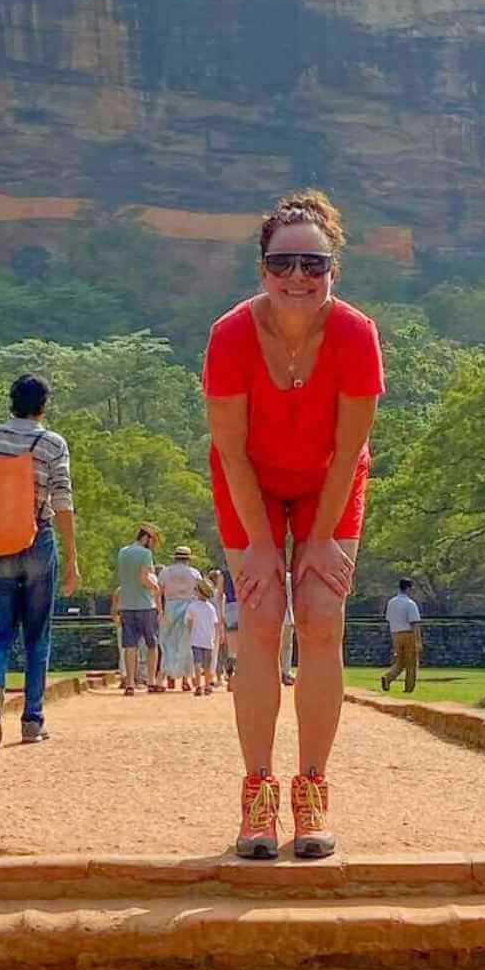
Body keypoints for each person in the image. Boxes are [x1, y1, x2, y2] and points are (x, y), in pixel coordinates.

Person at [204, 190, 384, 860]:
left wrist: (315, 543)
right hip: (247, 479)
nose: (298, 277)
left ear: (334, 268)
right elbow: (229, 447)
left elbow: (350, 447)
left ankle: (312, 790)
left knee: (318, 614)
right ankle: (257, 794)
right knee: (258, 616)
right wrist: (256, 549)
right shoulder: (229, 335)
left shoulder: (356, 334)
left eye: (313, 263)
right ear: (262, 269)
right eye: (284, 264)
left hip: (330, 483)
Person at [0, 374, 78, 748]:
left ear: (11, 402)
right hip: (37, 541)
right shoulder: (52, 444)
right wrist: (72, 560)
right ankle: (32, 720)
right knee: (37, 635)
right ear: (44, 405)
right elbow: (62, 503)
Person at [116, 523, 163, 695]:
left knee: (130, 645)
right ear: (146, 538)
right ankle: (151, 680)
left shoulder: (122, 552)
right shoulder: (145, 554)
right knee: (152, 643)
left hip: (126, 604)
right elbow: (143, 577)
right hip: (145, 605)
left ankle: (130, 683)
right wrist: (155, 588)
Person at [158, 545, 204, 690]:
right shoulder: (194, 573)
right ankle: (186, 679)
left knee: (167, 643)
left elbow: (158, 593)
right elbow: (201, 592)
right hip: (189, 608)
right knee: (187, 644)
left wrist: (160, 611)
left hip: (170, 607)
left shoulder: (166, 572)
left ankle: (164, 677)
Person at [380, 578, 422, 693]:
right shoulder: (410, 603)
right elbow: (414, 623)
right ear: (408, 588)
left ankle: (388, 677)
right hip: (408, 633)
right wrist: (418, 640)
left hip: (395, 633)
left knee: (400, 661)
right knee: (411, 663)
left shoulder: (391, 602)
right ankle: (409, 688)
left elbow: (389, 619)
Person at [188, 578, 221, 696]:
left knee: (197, 662)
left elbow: (189, 623)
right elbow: (215, 624)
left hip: (195, 639)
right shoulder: (211, 608)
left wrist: (189, 635)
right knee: (207, 664)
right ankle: (207, 685)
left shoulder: (192, 606)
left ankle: (198, 686)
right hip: (208, 639)